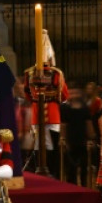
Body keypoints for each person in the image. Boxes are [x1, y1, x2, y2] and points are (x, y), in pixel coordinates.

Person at [22, 30, 69, 177]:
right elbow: (64, 95)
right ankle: (52, 173)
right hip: (53, 113)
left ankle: (40, 172)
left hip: (37, 112)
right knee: (52, 147)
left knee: (38, 146)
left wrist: (37, 99)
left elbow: (27, 94)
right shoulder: (56, 74)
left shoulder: (29, 73)